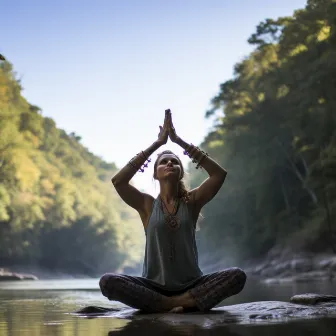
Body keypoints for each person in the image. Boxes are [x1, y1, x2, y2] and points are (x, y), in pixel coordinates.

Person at [99, 109, 246, 313]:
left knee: (236, 276)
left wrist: (179, 142)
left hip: (192, 284)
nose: (169, 162)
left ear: (180, 173)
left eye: (175, 161)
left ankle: (167, 305)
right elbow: (118, 181)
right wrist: (157, 144)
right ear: (155, 174)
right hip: (153, 286)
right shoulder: (146, 204)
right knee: (108, 282)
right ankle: (182, 303)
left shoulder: (192, 201)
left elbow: (218, 174)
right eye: (164, 162)